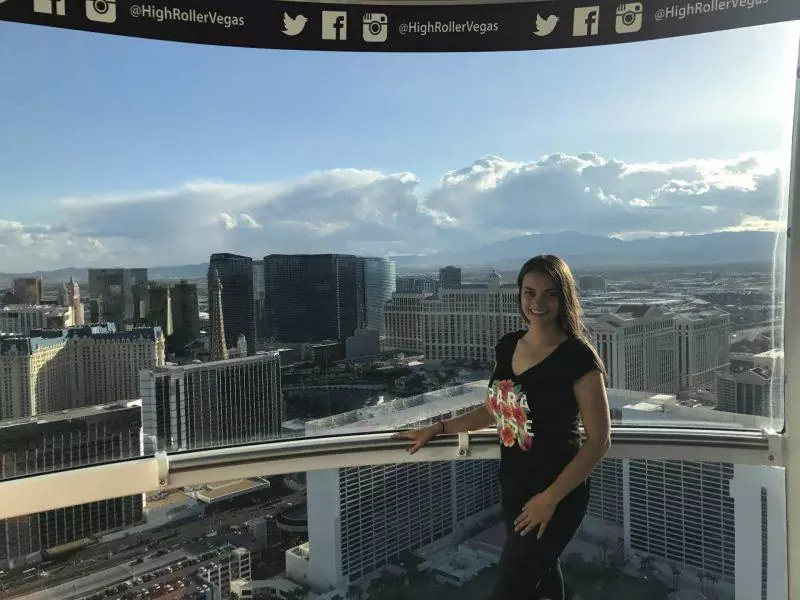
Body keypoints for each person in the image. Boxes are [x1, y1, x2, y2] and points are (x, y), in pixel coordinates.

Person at [393, 255, 611, 599]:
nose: (537, 303)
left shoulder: (579, 357)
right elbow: (493, 410)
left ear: (564, 298)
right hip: (514, 489)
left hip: (557, 494)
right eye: (529, 292)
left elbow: (599, 441)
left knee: (511, 590)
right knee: (543, 584)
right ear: (519, 295)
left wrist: (549, 499)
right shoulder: (509, 345)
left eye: (550, 294)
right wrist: (438, 428)